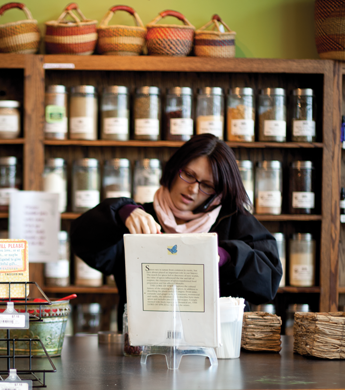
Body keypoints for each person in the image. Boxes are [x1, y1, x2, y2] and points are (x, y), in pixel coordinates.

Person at [70, 134, 282, 330]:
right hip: (143, 347)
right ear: (174, 168)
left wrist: (225, 256)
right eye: (189, 175)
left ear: (221, 192)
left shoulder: (235, 222)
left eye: (207, 186)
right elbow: (83, 242)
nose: (193, 189)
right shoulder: (140, 217)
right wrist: (119, 213)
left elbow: (268, 283)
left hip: (218, 351)